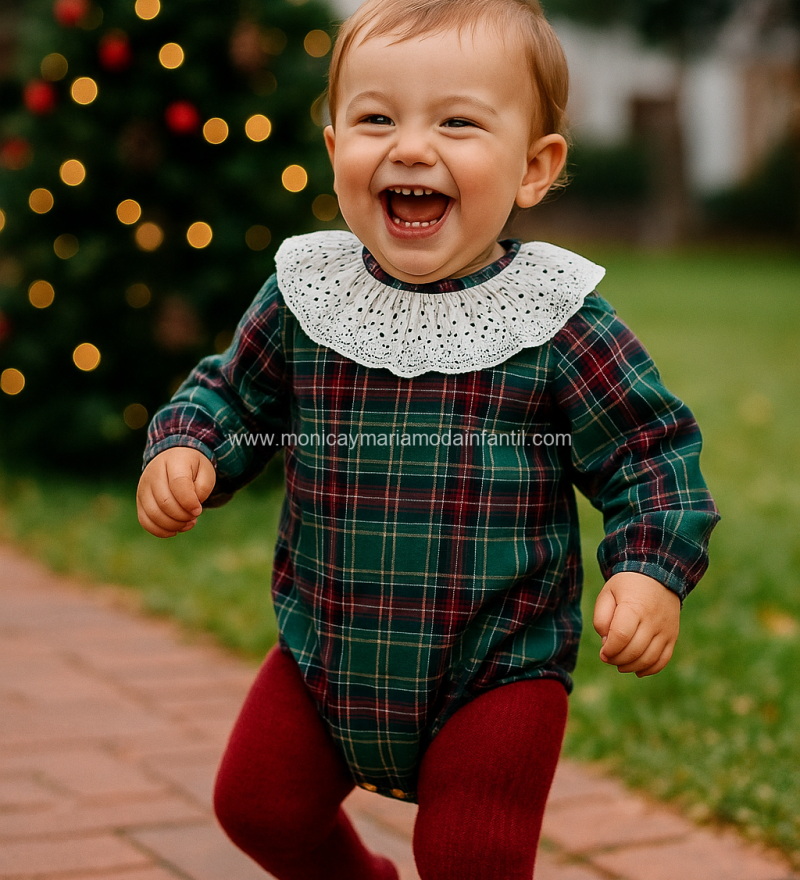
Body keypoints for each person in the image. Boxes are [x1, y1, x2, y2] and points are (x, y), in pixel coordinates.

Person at [136, 0, 720, 877]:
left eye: (456, 121)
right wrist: (189, 445)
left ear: (534, 167)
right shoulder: (306, 296)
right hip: (328, 644)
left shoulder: (556, 322)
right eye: (376, 119)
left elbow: (649, 452)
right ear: (336, 151)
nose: (410, 147)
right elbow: (231, 393)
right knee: (257, 806)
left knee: (468, 856)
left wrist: (649, 569)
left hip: (497, 660)